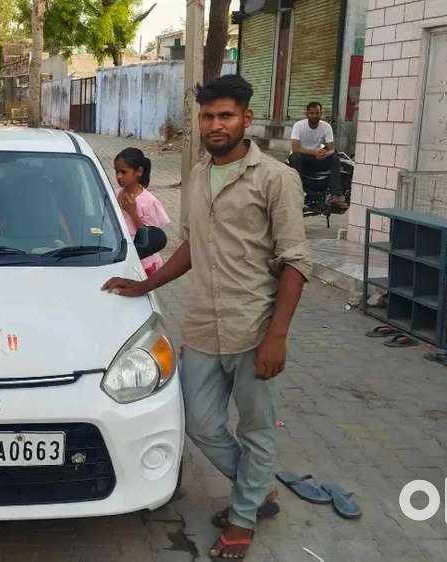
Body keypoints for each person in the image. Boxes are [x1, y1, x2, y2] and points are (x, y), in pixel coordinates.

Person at [102, 74, 309, 560]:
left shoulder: (277, 179)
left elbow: (296, 261)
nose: (216, 125)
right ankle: (256, 490)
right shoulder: (196, 176)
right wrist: (145, 284)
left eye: (226, 116)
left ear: (246, 120)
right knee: (200, 424)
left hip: (254, 327)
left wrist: (277, 336)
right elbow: (192, 247)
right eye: (208, 116)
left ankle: (242, 518)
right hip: (201, 328)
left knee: (256, 429)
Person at [113, 147, 171, 277]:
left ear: (138, 171)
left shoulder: (149, 202)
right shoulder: (115, 194)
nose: (118, 176)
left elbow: (151, 238)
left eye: (124, 172)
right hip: (121, 256)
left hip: (143, 261)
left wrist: (133, 213)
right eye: (116, 171)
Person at [287, 101, 344, 209]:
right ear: (307, 114)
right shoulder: (298, 125)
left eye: (317, 113)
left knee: (335, 158)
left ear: (321, 113)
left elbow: (332, 149)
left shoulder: (326, 126)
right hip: (302, 156)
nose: (314, 116)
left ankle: (336, 195)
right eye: (312, 113)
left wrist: (325, 154)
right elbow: (295, 149)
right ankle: (299, 193)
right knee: (295, 157)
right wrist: (314, 152)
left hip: (317, 157)